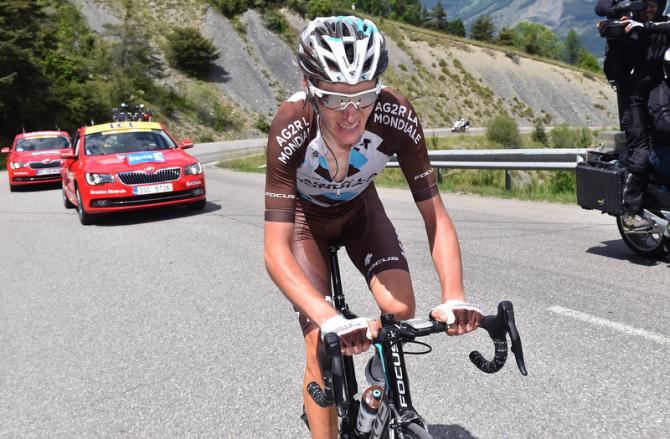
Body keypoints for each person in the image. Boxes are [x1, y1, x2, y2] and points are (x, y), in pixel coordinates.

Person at [263, 16, 483, 438]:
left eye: (364, 96)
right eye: (333, 98)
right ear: (309, 86)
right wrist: (329, 319)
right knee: (319, 345)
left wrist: (453, 294)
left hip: (360, 208)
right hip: (305, 221)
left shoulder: (395, 113)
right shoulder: (291, 124)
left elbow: (435, 213)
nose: (351, 115)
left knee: (400, 310)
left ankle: (375, 393)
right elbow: (275, 252)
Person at [596, 0, 669, 230]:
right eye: (647, 5)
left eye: (656, 4)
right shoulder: (624, 29)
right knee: (641, 151)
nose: (652, 9)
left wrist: (646, 27)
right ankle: (631, 212)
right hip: (632, 96)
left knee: (666, 130)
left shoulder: (660, 24)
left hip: (658, 88)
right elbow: (613, 73)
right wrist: (614, 36)